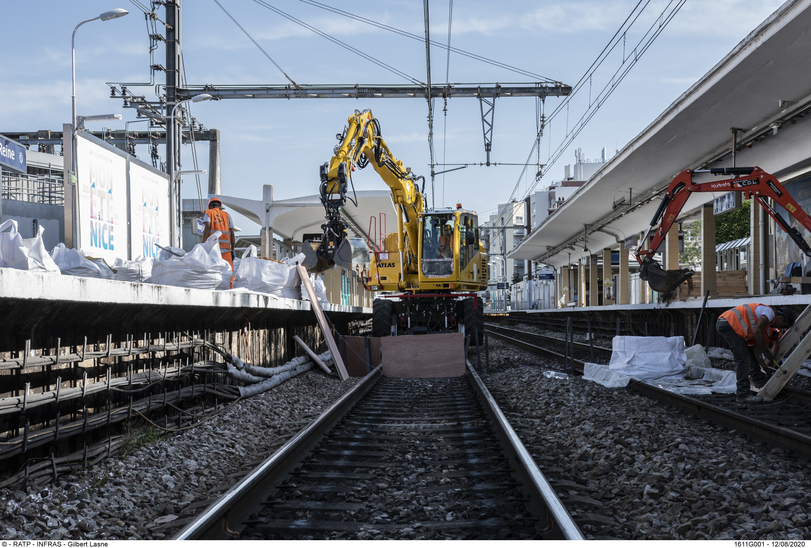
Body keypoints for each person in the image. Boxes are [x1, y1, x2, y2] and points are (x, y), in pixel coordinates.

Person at [716, 304, 796, 403]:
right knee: (743, 360)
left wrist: (765, 367)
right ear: (781, 318)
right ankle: (742, 395)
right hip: (730, 323)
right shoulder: (769, 313)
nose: (779, 328)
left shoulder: (760, 325)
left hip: (727, 323)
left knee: (747, 355)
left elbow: (755, 351)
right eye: (782, 325)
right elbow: (757, 331)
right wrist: (766, 350)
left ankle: (757, 382)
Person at [202, 196, 236, 271]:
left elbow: (207, 228)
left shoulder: (208, 212)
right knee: (228, 270)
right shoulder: (227, 215)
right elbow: (232, 234)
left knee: (213, 270)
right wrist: (232, 250)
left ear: (210, 206)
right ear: (220, 206)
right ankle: (230, 283)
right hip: (226, 249)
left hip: (213, 248)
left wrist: (203, 244)